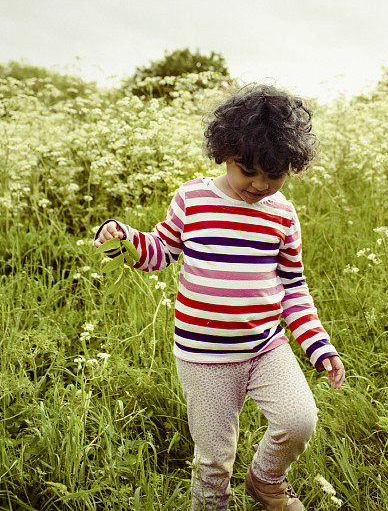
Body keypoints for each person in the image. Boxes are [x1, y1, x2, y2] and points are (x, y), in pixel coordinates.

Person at [93, 83, 345, 510]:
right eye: (248, 170)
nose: (259, 185)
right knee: (213, 464)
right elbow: (161, 251)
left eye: (274, 174)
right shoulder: (192, 199)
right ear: (225, 152)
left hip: (266, 345)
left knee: (299, 419)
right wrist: (124, 238)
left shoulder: (283, 213)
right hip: (204, 356)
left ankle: (266, 481)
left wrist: (318, 345)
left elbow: (293, 287)